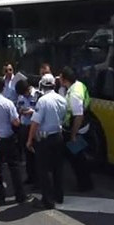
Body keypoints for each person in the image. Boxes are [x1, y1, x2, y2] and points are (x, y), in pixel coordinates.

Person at [27, 73, 67, 209]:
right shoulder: (62, 99)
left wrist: (29, 140)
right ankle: (59, 195)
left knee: (44, 170)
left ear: (42, 85)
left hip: (45, 139)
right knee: (58, 168)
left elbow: (35, 122)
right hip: (58, 137)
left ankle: (48, 201)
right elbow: (63, 117)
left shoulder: (42, 101)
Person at [0, 77, 32, 205]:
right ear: (3, 88)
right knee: (14, 167)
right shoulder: (7, 103)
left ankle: (0, 196)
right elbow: (16, 122)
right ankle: (20, 196)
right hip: (7, 138)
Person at [59, 66, 94, 191]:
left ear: (64, 79)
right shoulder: (78, 85)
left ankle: (85, 184)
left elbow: (78, 116)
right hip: (81, 127)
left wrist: (73, 135)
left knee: (78, 159)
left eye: (60, 77)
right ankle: (84, 183)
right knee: (78, 158)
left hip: (77, 130)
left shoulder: (74, 94)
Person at [15, 79, 42, 186]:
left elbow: (42, 111)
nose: (24, 95)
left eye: (24, 93)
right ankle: (30, 176)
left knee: (36, 154)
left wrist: (32, 112)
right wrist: (21, 111)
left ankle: (39, 179)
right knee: (27, 154)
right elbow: (18, 108)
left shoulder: (38, 95)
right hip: (24, 127)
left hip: (34, 127)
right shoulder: (21, 96)